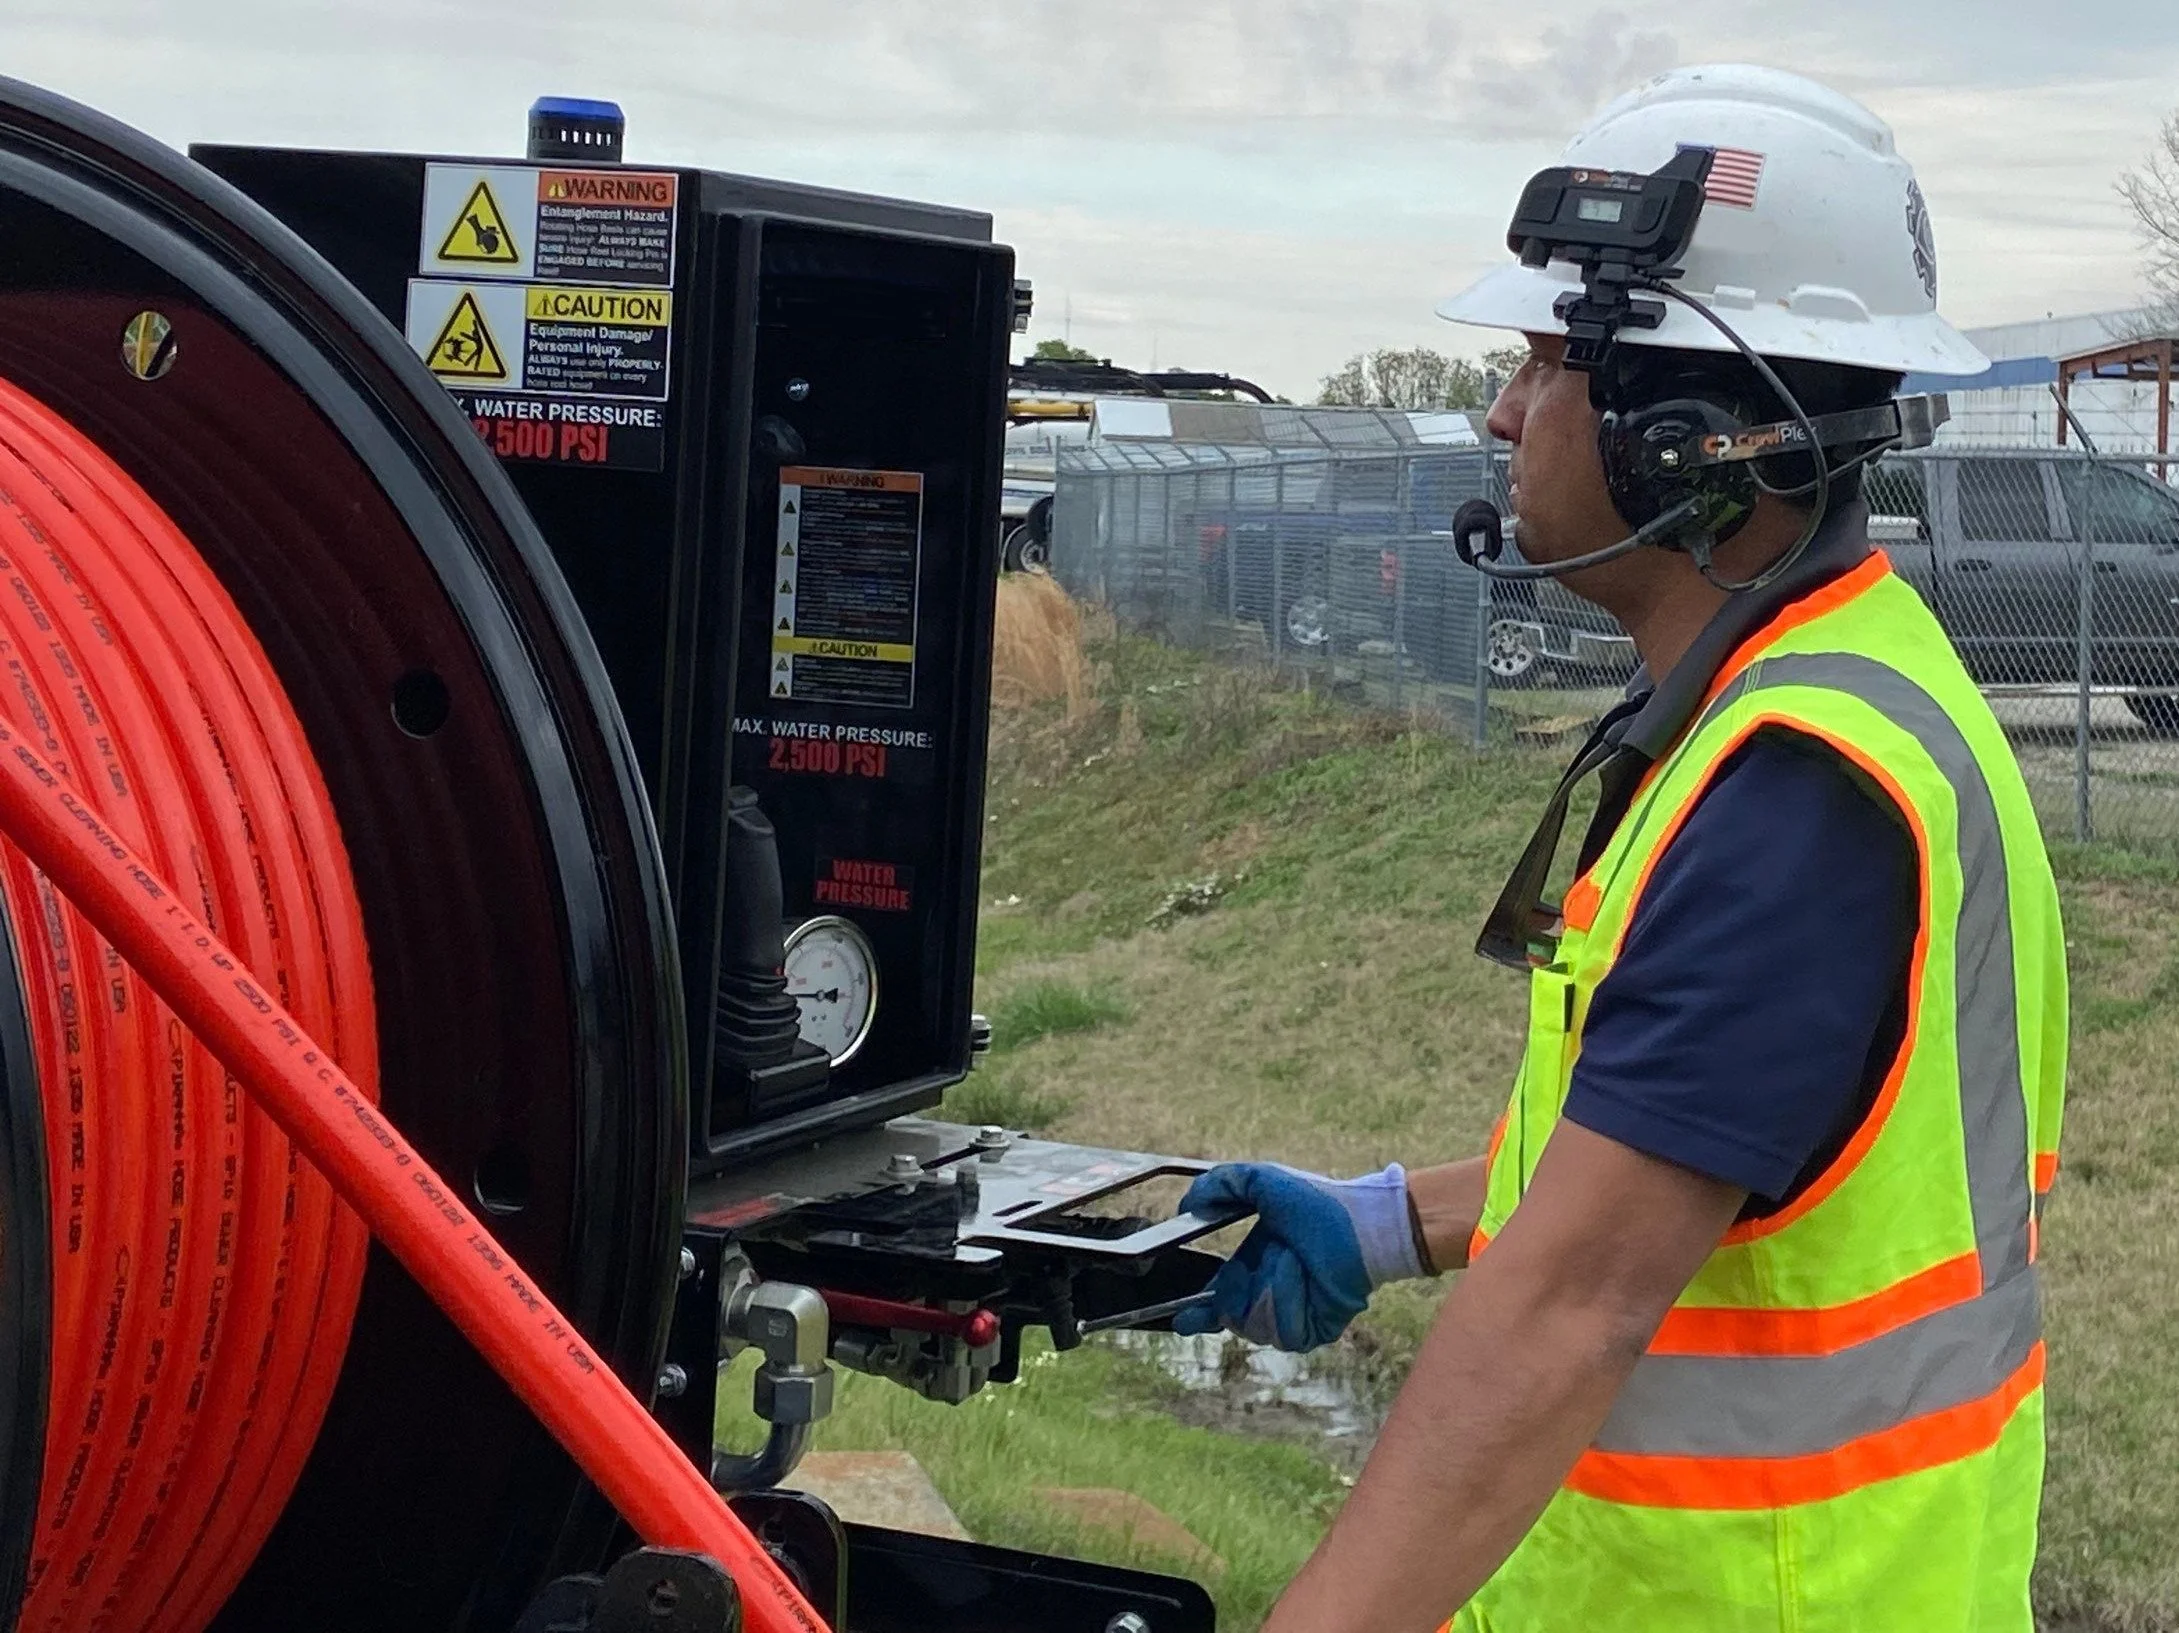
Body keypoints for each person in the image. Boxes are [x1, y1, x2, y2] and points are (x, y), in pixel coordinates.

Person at [1175, 65, 2068, 1632]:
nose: (1501, 413)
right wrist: (1397, 1219)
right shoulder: (1829, 685)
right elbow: (1716, 1160)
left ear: (1686, 432)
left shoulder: (1796, 787)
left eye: (1538, 361)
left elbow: (1571, 1307)